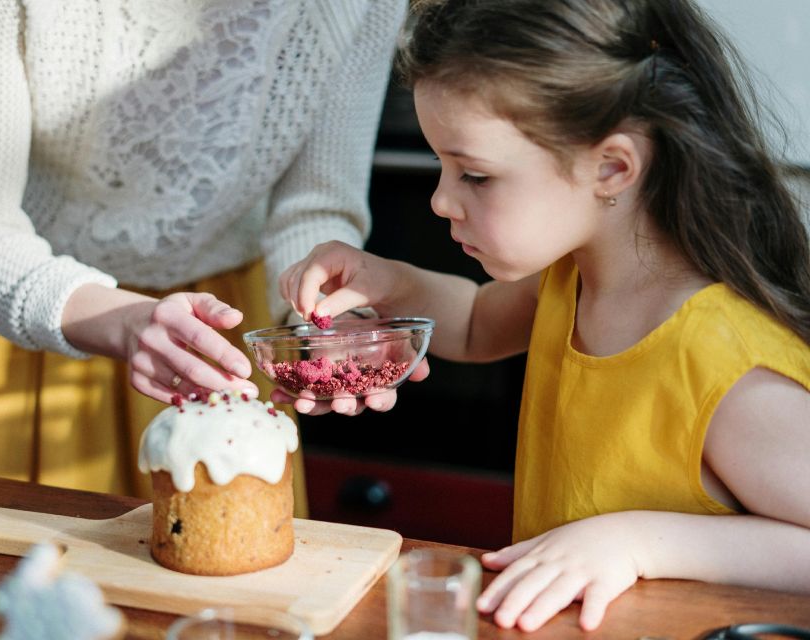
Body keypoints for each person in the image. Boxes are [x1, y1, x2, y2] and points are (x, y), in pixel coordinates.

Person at [278, 0, 810, 630]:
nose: (441, 199)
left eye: (474, 174)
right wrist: (383, 283)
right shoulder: (568, 281)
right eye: (443, 166)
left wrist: (637, 543)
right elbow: (474, 322)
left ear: (611, 167)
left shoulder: (726, 362)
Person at [0, 0, 407, 512]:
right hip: (21, 303)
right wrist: (121, 319)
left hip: (217, 322)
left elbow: (314, 206)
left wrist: (328, 319)